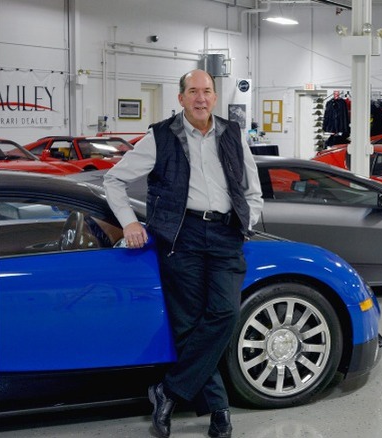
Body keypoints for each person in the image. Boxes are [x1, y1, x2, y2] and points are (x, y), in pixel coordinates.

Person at [103, 69, 264, 438]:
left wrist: (246, 219)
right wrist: (129, 222)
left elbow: (252, 190)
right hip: (182, 235)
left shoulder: (233, 133)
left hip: (225, 235)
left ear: (215, 96)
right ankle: (219, 411)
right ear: (181, 98)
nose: (201, 98)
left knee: (224, 313)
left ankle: (169, 390)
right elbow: (113, 180)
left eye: (207, 91)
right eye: (193, 91)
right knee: (190, 324)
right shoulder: (161, 136)